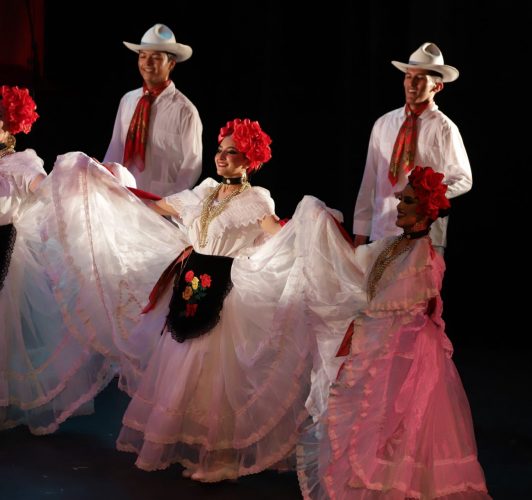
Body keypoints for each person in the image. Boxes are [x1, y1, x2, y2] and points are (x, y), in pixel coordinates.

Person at [114, 118, 316, 482]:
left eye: (231, 152)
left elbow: (276, 232)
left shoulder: (255, 199)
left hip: (224, 294)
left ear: (249, 159)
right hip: (191, 287)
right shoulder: (205, 192)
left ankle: (221, 458)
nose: (221, 157)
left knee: (216, 376)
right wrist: (114, 187)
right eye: (220, 150)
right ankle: (197, 449)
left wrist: (309, 229)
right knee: (186, 372)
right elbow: (160, 206)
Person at [298, 166, 491, 499]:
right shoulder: (392, 245)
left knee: (403, 422)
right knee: (377, 420)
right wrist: (324, 227)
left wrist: (367, 323)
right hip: (383, 343)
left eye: (408, 201)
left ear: (425, 211)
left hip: (409, 352)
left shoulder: (425, 257)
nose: (399, 206)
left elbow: (402, 304)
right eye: (402, 199)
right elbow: (354, 262)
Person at [1, 85, 118, 435]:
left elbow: (46, 190)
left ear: (9, 126)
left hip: (5, 252)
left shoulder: (20, 162)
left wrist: (81, 180)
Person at [353, 42, 472, 254]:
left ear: (437, 87)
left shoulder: (444, 128)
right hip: (383, 229)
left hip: (424, 234)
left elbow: (463, 178)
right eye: (409, 76)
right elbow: (369, 180)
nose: (412, 83)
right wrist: (361, 231)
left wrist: (427, 195)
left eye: (420, 78)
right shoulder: (384, 123)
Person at [103, 23, 202, 197]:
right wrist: (106, 183)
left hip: (161, 199)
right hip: (124, 197)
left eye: (155, 57)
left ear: (171, 64)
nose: (147, 63)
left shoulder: (185, 110)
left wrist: (170, 201)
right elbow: (116, 148)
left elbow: (192, 164)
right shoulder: (128, 100)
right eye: (142, 56)